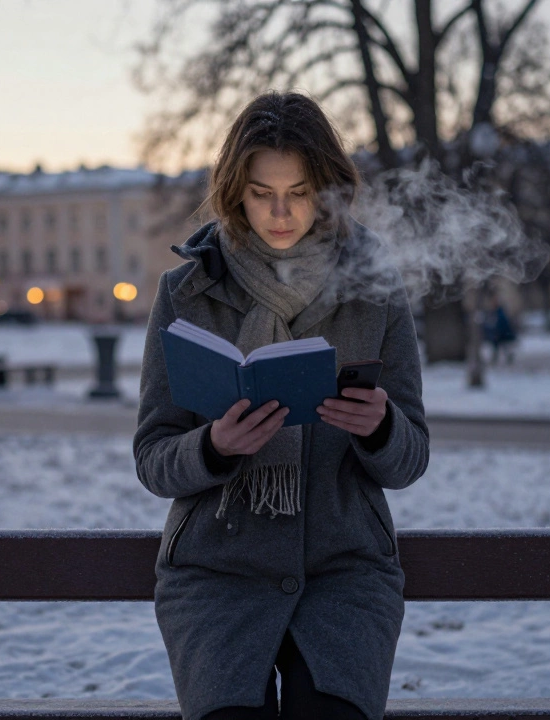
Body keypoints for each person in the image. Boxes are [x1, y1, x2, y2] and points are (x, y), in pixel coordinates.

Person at [133, 92, 429, 720]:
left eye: (298, 192)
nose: (280, 212)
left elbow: (411, 459)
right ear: (235, 191)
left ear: (327, 189)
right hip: (217, 572)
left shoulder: (372, 283)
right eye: (262, 193)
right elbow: (154, 458)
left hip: (345, 573)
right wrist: (213, 447)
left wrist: (379, 430)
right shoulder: (186, 292)